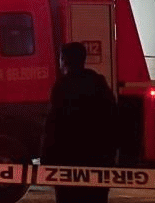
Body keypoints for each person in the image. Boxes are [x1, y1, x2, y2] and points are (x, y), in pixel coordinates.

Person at [41, 42, 119, 203]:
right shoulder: (99, 83)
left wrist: (46, 158)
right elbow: (112, 119)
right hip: (98, 161)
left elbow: (53, 125)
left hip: (67, 163)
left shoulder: (62, 86)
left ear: (63, 60)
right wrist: (111, 156)